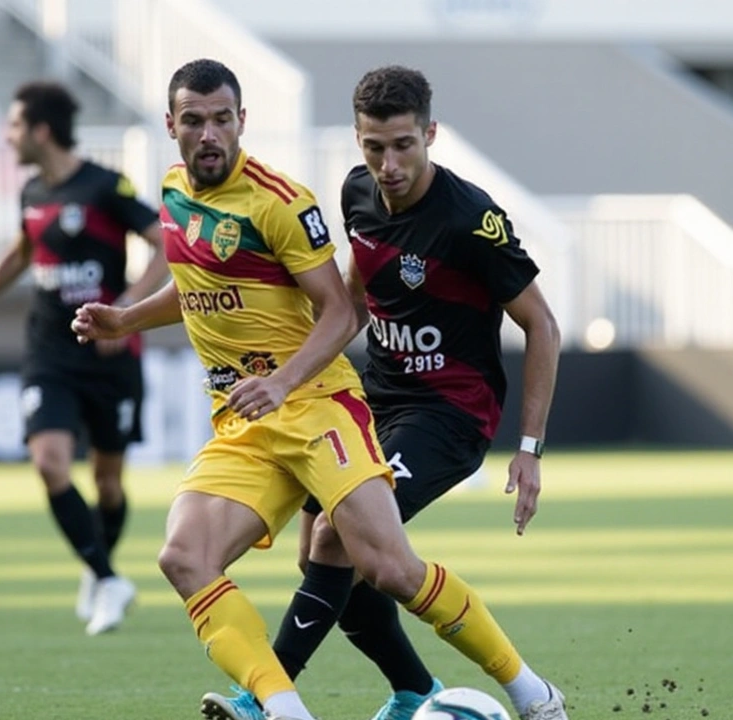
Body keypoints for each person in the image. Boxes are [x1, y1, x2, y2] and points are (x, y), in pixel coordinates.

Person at [70, 59, 569, 720]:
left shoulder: (467, 219)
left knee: (355, 551)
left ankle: (531, 695)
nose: (388, 164)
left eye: (403, 146)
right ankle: (389, 695)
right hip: (342, 401)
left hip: (444, 408)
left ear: (430, 135)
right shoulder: (352, 194)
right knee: (277, 561)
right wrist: (129, 318)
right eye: (374, 147)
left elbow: (541, 324)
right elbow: (346, 300)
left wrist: (530, 446)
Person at [0, 81, 169, 636]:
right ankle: (108, 577)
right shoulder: (31, 193)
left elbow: (165, 244)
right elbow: (20, 252)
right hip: (49, 352)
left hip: (109, 351)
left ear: (40, 131)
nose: (6, 137)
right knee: (49, 462)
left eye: (13, 127)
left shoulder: (106, 187)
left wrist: (126, 308)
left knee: (108, 482)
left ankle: (97, 566)